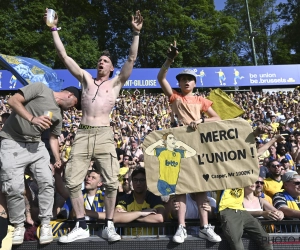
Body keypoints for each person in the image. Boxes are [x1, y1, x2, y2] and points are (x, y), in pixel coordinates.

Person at [44, 8, 143, 243]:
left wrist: (136, 33)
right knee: (71, 180)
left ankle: (109, 225)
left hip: (105, 134)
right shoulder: (86, 80)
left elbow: (131, 59)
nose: (101, 62)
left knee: (110, 181)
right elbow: (64, 57)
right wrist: (54, 29)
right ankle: (81, 224)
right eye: (99, 60)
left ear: (111, 68)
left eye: (106, 61)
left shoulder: (116, 83)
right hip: (83, 133)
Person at [157, 42, 221, 243]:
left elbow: (217, 118)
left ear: (194, 83)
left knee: (201, 189)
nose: (186, 81)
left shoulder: (202, 100)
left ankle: (205, 227)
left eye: (189, 79)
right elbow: (160, 78)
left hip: (198, 146)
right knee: (182, 189)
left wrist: (201, 120)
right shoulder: (174, 97)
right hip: (178, 146)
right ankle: (181, 227)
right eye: (183, 79)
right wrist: (170, 59)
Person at [0, 83, 80, 245]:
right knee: (14, 188)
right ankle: (18, 225)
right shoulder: (40, 89)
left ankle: (45, 224)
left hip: (36, 145)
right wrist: (32, 118)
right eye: (74, 105)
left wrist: (57, 158)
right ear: (70, 96)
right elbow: (13, 101)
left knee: (47, 181)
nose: (72, 109)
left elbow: (53, 138)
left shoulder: (58, 114)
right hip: (12, 142)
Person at [114, 167, 164, 236]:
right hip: (128, 242)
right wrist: (142, 213)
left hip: (150, 242)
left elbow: (159, 218)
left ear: (147, 181)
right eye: (135, 180)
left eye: (142, 180)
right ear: (132, 181)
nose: (138, 183)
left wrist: (128, 214)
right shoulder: (125, 198)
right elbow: (115, 217)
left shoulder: (154, 197)